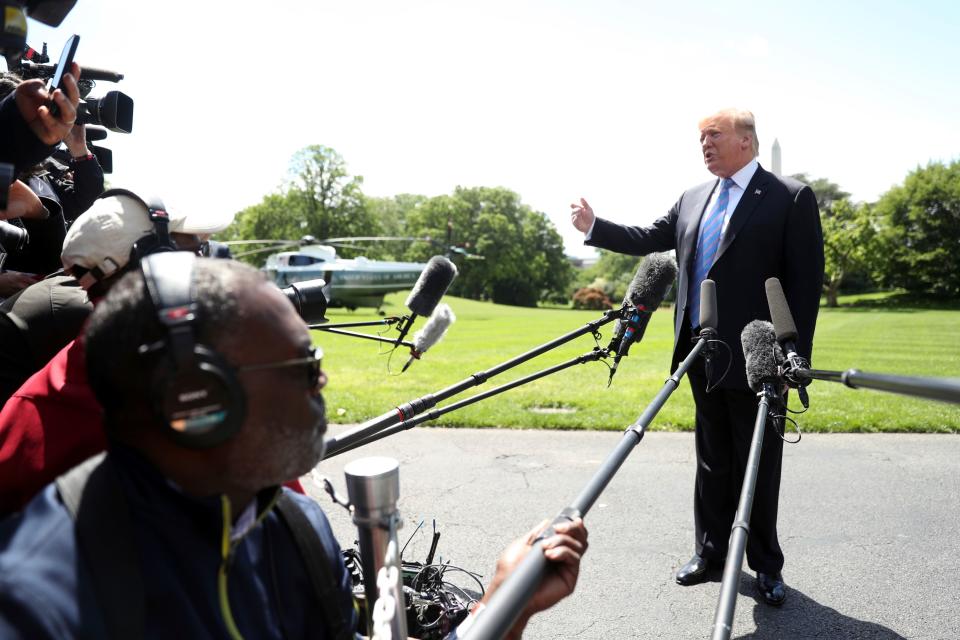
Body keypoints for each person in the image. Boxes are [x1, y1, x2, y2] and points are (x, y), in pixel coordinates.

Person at [0, 255, 587, 638]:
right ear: (199, 400)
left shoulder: (294, 528)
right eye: (304, 367)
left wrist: (505, 603)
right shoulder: (39, 602)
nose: (322, 384)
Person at [570, 108, 823, 605]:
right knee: (711, 458)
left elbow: (804, 283)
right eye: (700, 138)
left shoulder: (789, 197)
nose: (704, 145)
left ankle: (766, 565)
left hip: (757, 357)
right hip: (698, 351)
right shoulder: (692, 198)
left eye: (714, 136)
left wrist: (795, 356)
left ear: (746, 142)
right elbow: (649, 240)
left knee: (758, 463)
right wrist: (595, 225)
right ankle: (708, 554)